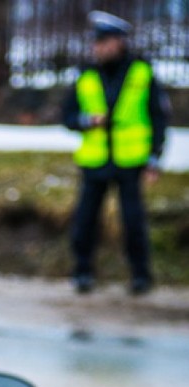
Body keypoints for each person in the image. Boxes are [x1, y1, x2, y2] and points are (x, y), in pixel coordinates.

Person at [62, 10, 170, 295]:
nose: (97, 48)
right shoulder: (85, 73)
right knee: (85, 219)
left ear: (119, 42)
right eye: (96, 43)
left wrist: (154, 156)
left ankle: (140, 276)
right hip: (96, 159)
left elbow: (159, 118)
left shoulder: (141, 71)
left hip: (130, 160)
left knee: (133, 221)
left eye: (103, 42)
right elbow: (68, 115)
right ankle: (82, 271)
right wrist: (86, 121)